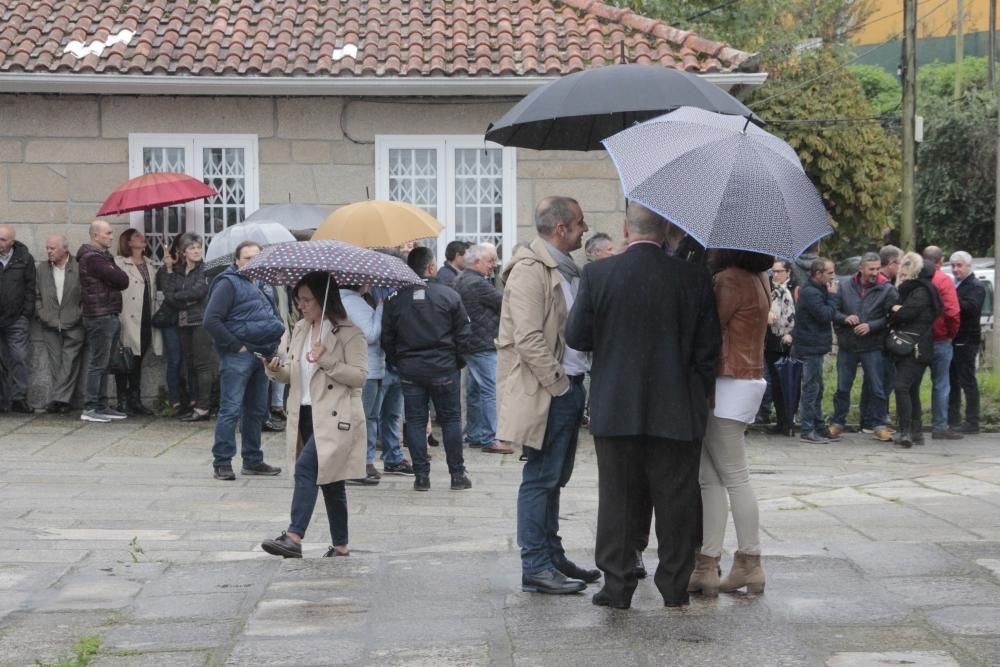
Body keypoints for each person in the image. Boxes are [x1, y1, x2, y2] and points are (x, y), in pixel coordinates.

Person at [566, 202, 721, 608]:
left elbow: (577, 336)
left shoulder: (598, 273)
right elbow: (709, 350)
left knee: (617, 499)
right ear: (668, 230)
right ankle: (673, 586)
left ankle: (616, 587)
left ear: (625, 229)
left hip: (616, 405)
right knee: (677, 501)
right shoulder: (693, 276)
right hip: (678, 407)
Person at [500, 196, 598, 597]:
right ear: (561, 229)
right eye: (579, 223)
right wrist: (559, 384)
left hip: (567, 387)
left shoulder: (564, 269)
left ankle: (551, 555)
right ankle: (535, 565)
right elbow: (527, 338)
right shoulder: (529, 270)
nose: (585, 229)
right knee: (540, 479)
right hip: (549, 390)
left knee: (554, 479)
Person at [261, 272, 368, 558]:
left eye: (307, 299)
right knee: (331, 482)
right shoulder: (299, 329)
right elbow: (292, 374)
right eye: (299, 299)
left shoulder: (349, 332)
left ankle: (294, 536)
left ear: (324, 298)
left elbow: (358, 377)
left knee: (306, 469)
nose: (302, 305)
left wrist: (327, 359)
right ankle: (342, 546)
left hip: (336, 417)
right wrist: (274, 370)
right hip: (305, 413)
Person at [685, 250, 768, 598]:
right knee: (712, 478)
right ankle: (708, 563)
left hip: (726, 381)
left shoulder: (729, 279)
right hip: (743, 378)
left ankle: (749, 560)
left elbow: (708, 328)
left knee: (733, 476)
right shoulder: (759, 278)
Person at [381, 246, 474, 492]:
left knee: (414, 420)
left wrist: (398, 361)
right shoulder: (449, 295)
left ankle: (421, 476)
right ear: (431, 267)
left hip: (410, 368)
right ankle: (457, 475)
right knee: (451, 419)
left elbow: (387, 337)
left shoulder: (395, 298)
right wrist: (457, 360)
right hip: (444, 367)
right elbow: (464, 333)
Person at [202, 240, 285, 481]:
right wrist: (236, 346)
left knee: (257, 411)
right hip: (239, 356)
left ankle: (253, 460)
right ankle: (222, 462)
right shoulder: (228, 283)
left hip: (262, 355)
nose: (253, 261)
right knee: (231, 409)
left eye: (257, 257)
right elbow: (211, 320)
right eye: (247, 258)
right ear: (237, 261)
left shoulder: (260, 283)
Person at [340, 283, 413, 479]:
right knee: (366, 418)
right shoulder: (352, 302)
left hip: (376, 367)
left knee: (374, 416)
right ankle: (363, 462)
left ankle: (369, 460)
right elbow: (371, 334)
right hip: (368, 368)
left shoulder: (354, 301)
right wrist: (381, 308)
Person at [828, 252, 897, 441]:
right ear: (861, 269)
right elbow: (833, 311)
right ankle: (837, 422)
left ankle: (879, 424)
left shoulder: (887, 289)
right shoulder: (845, 286)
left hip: (873, 345)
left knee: (877, 388)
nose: (875, 272)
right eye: (871, 269)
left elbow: (891, 318)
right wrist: (844, 318)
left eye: (877, 268)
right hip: (848, 345)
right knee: (843, 387)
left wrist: (871, 325)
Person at [453, 243, 511, 454]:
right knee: (490, 390)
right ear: (477, 262)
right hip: (482, 343)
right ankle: (491, 437)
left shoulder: (461, 278)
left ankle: (477, 434)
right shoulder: (477, 283)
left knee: (475, 391)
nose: (493, 266)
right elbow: (504, 302)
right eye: (490, 261)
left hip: (470, 343)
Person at [77, 220, 130, 423]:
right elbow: (122, 280)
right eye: (107, 233)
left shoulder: (104, 257)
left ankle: (101, 404)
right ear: (95, 236)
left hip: (109, 313)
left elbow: (120, 278)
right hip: (99, 315)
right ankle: (90, 407)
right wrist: (114, 273)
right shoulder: (93, 258)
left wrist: (115, 273)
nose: (111, 236)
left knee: (106, 363)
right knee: (98, 363)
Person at [889, 254, 943, 448]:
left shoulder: (920, 292)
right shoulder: (924, 291)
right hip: (917, 346)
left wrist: (894, 308)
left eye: (906, 272)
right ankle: (916, 432)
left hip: (915, 348)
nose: (902, 276)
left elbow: (906, 313)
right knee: (911, 389)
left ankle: (906, 432)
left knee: (901, 386)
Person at [163, 235, 216, 424]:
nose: (196, 251)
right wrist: (170, 271)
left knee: (202, 365)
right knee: (190, 364)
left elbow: (199, 292)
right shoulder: (178, 272)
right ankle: (195, 404)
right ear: (183, 252)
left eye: (198, 247)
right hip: (183, 322)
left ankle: (203, 407)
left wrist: (179, 297)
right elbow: (168, 294)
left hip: (200, 321)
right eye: (192, 248)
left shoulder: (205, 269)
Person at [113, 229, 161, 416]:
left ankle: (135, 399)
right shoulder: (119, 263)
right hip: (128, 317)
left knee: (138, 359)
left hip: (146, 317)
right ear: (129, 242)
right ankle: (122, 400)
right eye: (138, 237)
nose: (143, 239)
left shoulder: (149, 265)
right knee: (124, 359)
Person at [36, 233, 84, 414]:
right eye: (47, 248)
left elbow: (86, 294)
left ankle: (60, 400)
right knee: (56, 363)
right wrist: (42, 313)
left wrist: (79, 314)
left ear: (65, 249)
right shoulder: (42, 269)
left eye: (52, 248)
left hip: (74, 322)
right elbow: (37, 295)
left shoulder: (78, 267)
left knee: (70, 362)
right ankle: (63, 401)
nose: (49, 251)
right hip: (49, 322)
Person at [794, 257, 839, 444]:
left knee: (818, 388)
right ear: (818, 273)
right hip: (809, 346)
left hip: (816, 346)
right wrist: (833, 296)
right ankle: (807, 429)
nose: (833, 277)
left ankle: (819, 426)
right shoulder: (811, 293)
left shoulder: (818, 290)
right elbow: (826, 315)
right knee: (811, 389)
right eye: (829, 273)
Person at [860, 245, 903, 432]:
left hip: (878, 341)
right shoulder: (884, 286)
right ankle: (873, 420)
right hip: (880, 342)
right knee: (879, 383)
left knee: (875, 382)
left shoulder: (885, 284)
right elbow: (887, 316)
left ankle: (873, 418)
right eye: (900, 263)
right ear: (892, 263)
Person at [922, 246, 962, 440]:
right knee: (941, 384)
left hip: (919, 340)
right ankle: (939, 426)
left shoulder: (916, 279)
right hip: (940, 339)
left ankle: (911, 426)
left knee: (912, 383)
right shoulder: (944, 280)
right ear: (941, 260)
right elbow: (952, 311)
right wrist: (951, 334)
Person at [0, 224, 36, 414]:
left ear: (12, 242)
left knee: (19, 358)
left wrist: (26, 313)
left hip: (16, 319)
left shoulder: (24, 258)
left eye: (3, 240)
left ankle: (18, 398)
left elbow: (31, 287)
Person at [948, 251, 986, 434]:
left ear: (968, 266)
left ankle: (972, 421)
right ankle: (953, 418)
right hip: (953, 339)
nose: (955, 269)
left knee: (967, 381)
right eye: (953, 265)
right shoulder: (955, 284)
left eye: (959, 265)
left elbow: (971, 308)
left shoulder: (976, 286)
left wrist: (949, 300)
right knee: (952, 381)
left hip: (967, 340)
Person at [155, 234, 190, 415]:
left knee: (190, 361)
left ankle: (191, 398)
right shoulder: (165, 270)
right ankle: (175, 400)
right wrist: (168, 269)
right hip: (171, 320)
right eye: (182, 249)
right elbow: (168, 295)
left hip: (189, 320)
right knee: (175, 359)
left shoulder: (192, 269)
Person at [762, 259, 795, 436]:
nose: (775, 275)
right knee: (774, 382)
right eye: (773, 271)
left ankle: (787, 421)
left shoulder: (786, 292)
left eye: (779, 271)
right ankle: (782, 421)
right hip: (771, 340)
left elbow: (793, 317)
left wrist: (790, 334)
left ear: (788, 272)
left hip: (783, 339)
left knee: (784, 382)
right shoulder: (772, 290)